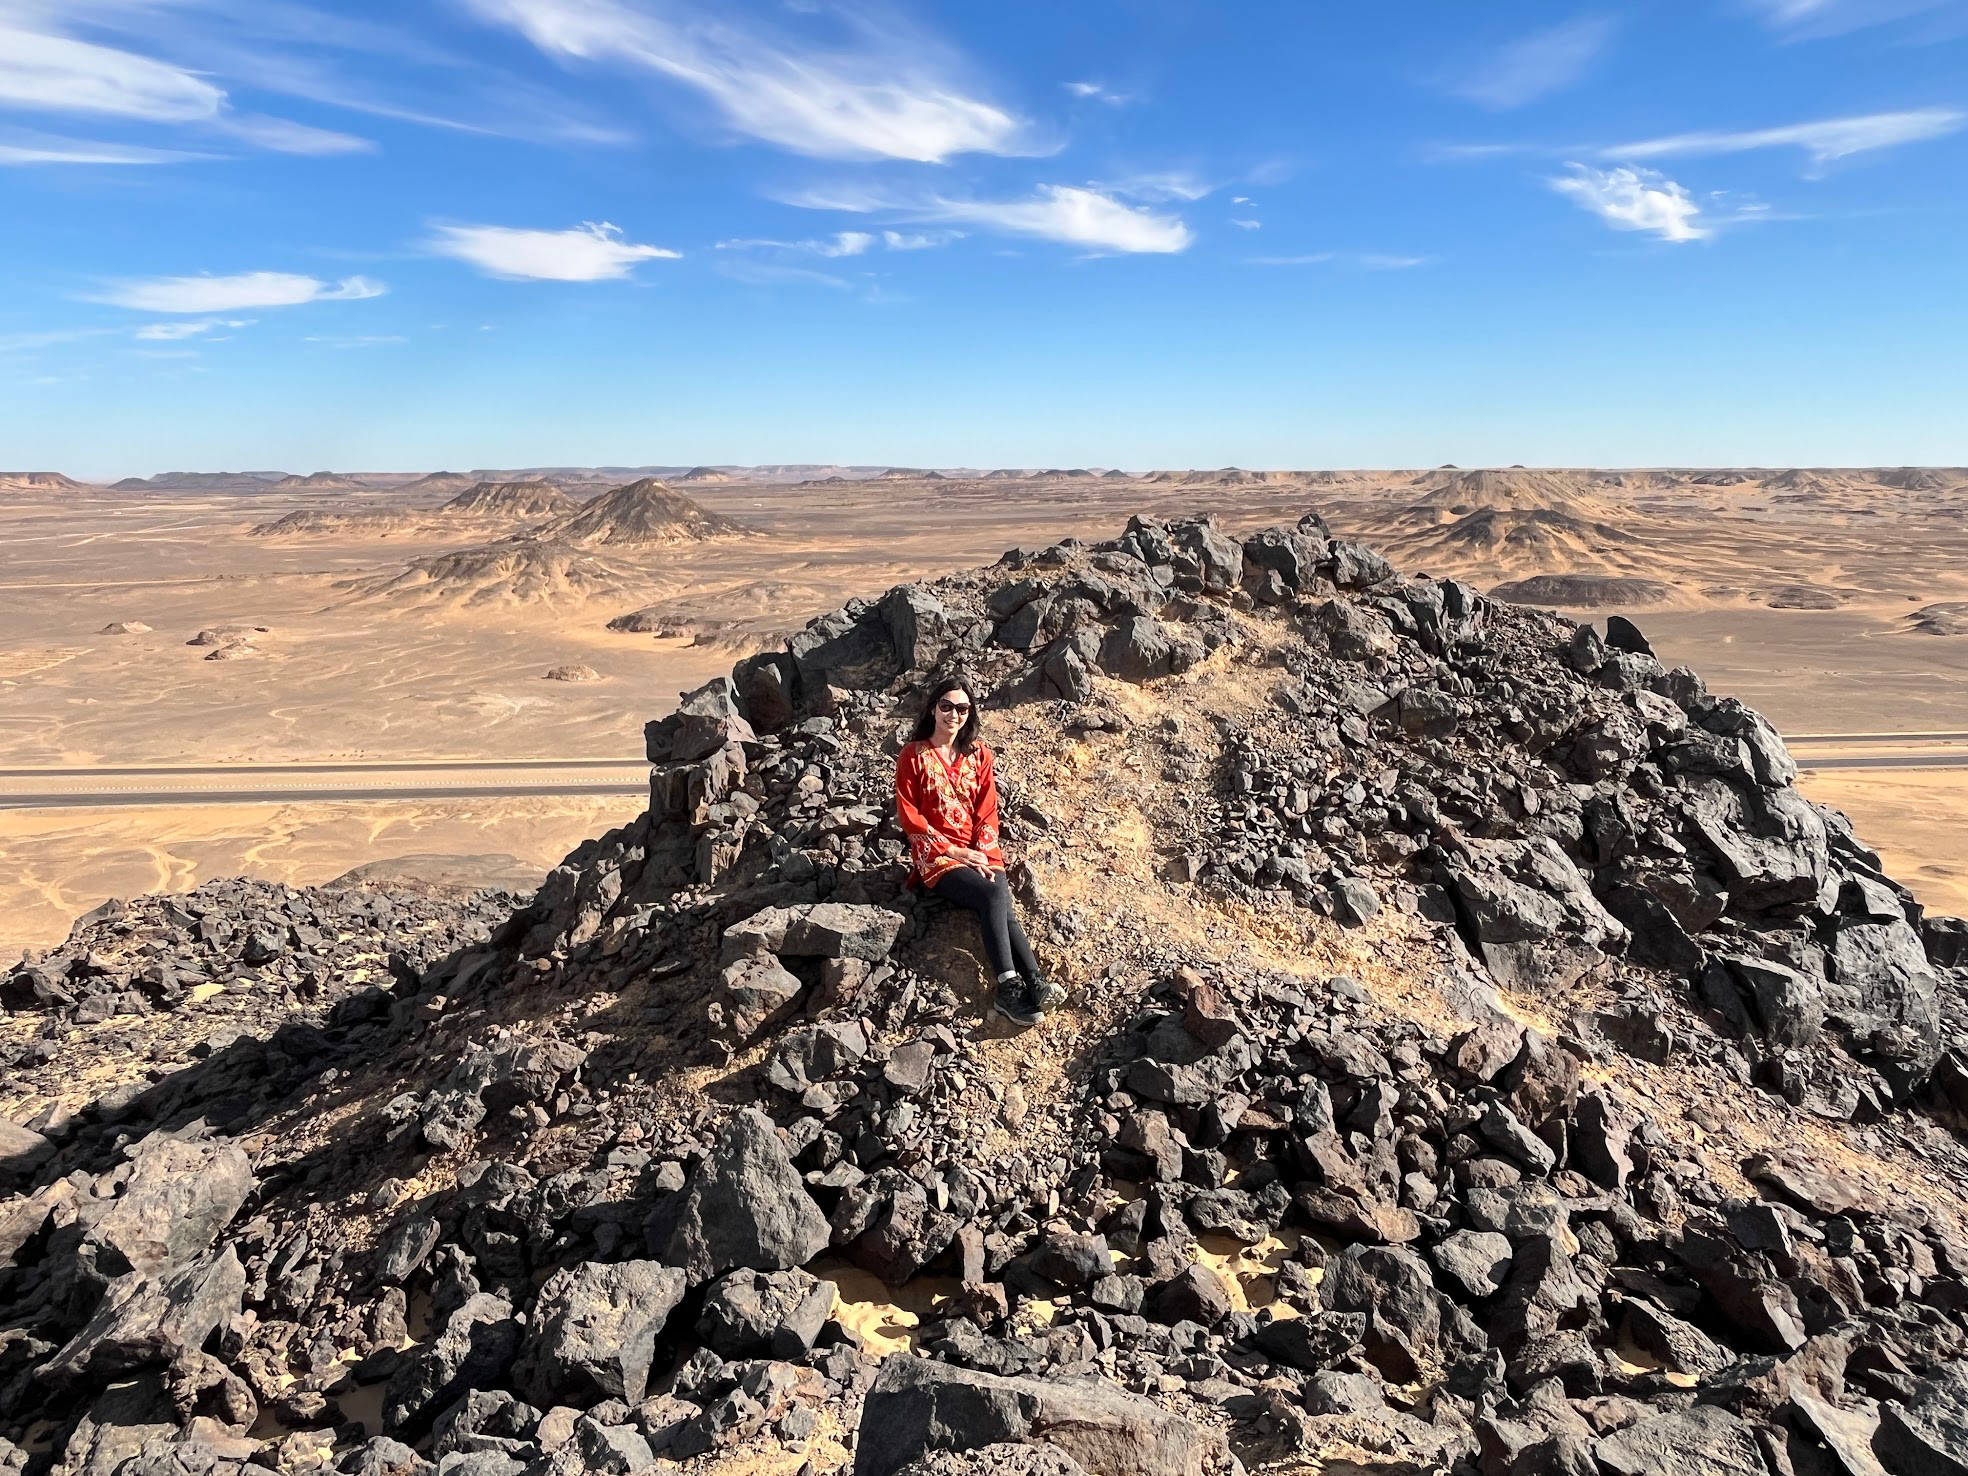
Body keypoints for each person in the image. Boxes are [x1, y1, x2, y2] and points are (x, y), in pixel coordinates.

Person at [894, 676, 1064, 1027]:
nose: (953, 715)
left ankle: (1033, 982)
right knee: (990, 894)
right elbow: (910, 817)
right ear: (932, 709)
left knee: (1001, 900)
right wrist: (957, 852)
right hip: (937, 856)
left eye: (961, 708)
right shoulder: (913, 756)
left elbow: (987, 809)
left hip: (981, 849)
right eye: (946, 706)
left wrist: (984, 854)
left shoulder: (979, 753)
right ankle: (1007, 986)